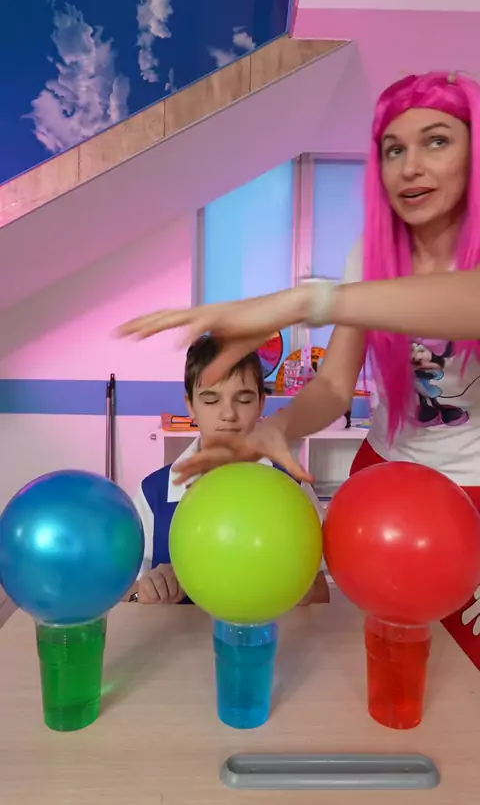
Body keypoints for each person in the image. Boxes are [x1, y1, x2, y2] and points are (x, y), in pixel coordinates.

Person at [119, 71, 480, 668]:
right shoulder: (371, 254)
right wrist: (278, 429)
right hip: (384, 477)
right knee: (381, 649)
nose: (411, 166)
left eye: (437, 141)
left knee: (462, 665)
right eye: (394, 150)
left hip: (470, 487)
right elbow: (335, 385)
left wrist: (301, 301)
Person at [127, 334, 329, 605]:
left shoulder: (292, 486)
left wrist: (300, 590)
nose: (228, 414)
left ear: (261, 403)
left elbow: (321, 593)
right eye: (211, 400)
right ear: (190, 406)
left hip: (265, 632)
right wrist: (144, 593)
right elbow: (121, 595)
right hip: (177, 633)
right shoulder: (154, 495)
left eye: (243, 400)